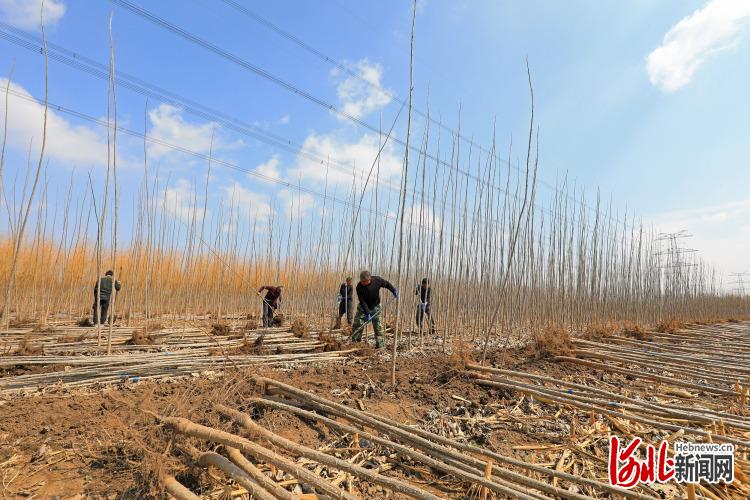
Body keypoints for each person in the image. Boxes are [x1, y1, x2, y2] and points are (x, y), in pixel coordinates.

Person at [352, 270, 397, 349]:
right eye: (362, 281)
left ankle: (380, 345)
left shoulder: (377, 280)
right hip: (363, 307)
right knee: (358, 323)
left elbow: (386, 284)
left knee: (377, 326)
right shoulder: (359, 287)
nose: (363, 283)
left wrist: (393, 289)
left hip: (376, 306)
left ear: (369, 279)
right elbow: (362, 301)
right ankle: (355, 343)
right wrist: (367, 313)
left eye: (365, 281)